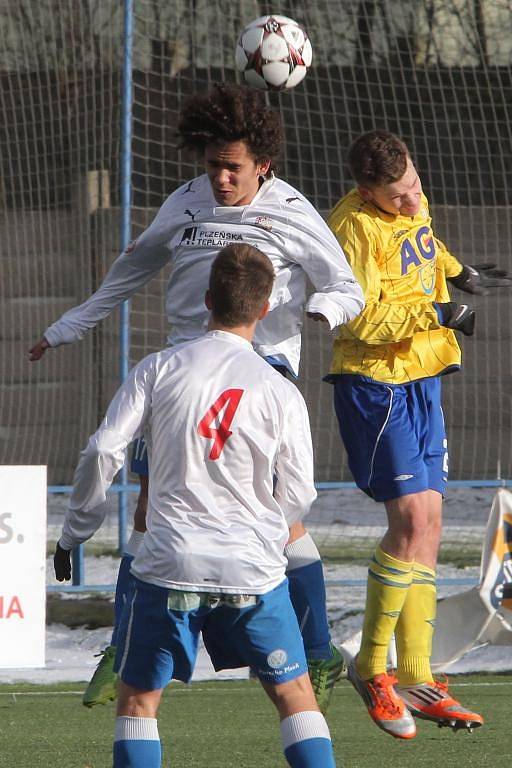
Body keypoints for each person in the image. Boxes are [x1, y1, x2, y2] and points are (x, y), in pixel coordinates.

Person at [33, 84, 364, 711]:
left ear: (262, 165)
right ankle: (126, 647)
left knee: (279, 513)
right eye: (212, 164)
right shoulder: (183, 203)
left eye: (231, 166)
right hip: (185, 366)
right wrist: (69, 324)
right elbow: (129, 271)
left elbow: (345, 285)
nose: (219, 178)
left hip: (261, 370)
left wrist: (323, 308)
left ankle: (316, 646)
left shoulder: (292, 211)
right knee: (148, 511)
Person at [54, 244, 337, 768]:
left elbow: (103, 450)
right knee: (295, 694)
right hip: (253, 570)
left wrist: (75, 531)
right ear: (265, 309)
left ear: (206, 300)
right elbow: (300, 492)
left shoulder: (158, 368)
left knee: (139, 702)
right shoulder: (279, 389)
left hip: (168, 564)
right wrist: (263, 539)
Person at [326, 130, 510, 739]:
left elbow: (423, 244)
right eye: (398, 197)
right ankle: (372, 670)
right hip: (376, 383)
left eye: (415, 187)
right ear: (365, 191)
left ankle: (419, 674)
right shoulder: (351, 228)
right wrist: (437, 311)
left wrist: (460, 274)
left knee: (429, 523)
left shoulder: (410, 196)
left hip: (423, 375)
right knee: (408, 520)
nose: (412, 202)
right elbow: (359, 317)